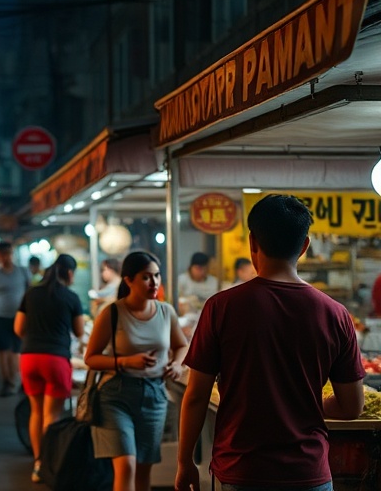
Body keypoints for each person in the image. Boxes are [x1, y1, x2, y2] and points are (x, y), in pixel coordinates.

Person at [176, 195, 365, 491]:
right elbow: (352, 406)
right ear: (304, 246)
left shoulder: (221, 307)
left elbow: (197, 395)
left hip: (241, 471)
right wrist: (306, 402)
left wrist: (185, 461)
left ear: (252, 242)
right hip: (309, 473)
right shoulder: (336, 314)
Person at [84, 250, 189, 491]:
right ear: (128, 280)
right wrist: (125, 361)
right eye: (146, 277)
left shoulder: (166, 312)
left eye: (157, 276)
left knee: (144, 468)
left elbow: (182, 345)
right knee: (127, 465)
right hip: (115, 396)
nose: (154, 282)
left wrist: (175, 364)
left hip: (154, 396)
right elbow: (91, 358)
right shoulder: (112, 313)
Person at [14, 254, 84, 484]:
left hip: (30, 358)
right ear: (70, 273)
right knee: (51, 415)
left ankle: (38, 463)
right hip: (55, 360)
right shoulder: (71, 297)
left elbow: (18, 328)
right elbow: (80, 332)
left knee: (36, 412)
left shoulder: (31, 293)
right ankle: (50, 464)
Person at [0, 241, 31, 396]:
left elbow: (30, 292)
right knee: (3, 350)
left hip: (20, 316)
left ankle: (18, 379)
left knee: (18, 349)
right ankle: (7, 381)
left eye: (8, 254)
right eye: (3, 254)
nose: (6, 257)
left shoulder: (23, 272)